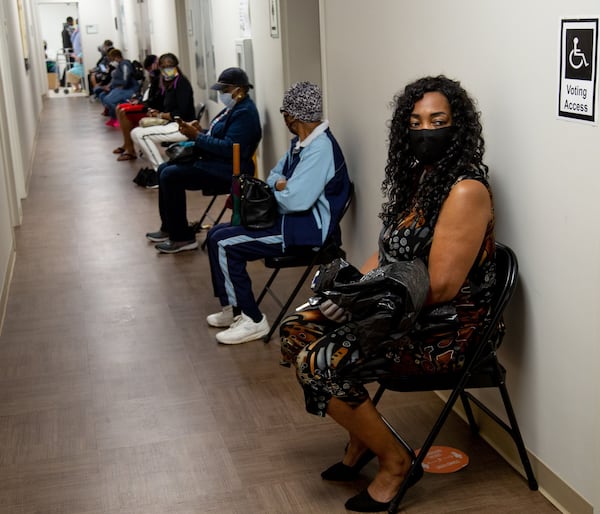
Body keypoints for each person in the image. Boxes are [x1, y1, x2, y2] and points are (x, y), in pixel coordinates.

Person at [279, 75, 496, 512]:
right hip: (397, 309)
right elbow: (386, 257)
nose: (425, 130)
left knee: (318, 364)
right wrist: (345, 294)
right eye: (415, 121)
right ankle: (362, 438)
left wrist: (361, 311)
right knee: (296, 329)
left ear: (458, 128)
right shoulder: (423, 179)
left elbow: (442, 287)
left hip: (443, 329)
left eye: (438, 120)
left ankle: (396, 462)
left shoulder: (465, 190)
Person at [204, 81, 351, 345]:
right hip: (289, 222)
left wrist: (283, 189)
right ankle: (233, 310)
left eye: (285, 112)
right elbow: (274, 176)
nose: (284, 117)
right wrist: (282, 186)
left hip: (307, 231)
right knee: (215, 234)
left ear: (294, 115)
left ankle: (252, 319)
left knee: (225, 243)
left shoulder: (320, 148)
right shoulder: (301, 143)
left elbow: (296, 201)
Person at [144, 67, 261, 251]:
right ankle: (170, 228)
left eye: (225, 90)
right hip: (216, 162)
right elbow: (219, 137)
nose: (222, 94)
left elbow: (230, 149)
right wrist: (200, 132)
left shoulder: (245, 113)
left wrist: (197, 137)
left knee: (170, 176)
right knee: (163, 169)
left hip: (229, 169)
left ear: (238, 90)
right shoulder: (233, 109)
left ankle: (182, 238)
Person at [130, 53, 195, 176]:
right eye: (163, 67)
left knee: (142, 136)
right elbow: (163, 105)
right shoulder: (167, 85)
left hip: (182, 126)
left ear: (176, 66)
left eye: (170, 66)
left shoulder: (181, 83)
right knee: (135, 132)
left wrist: (161, 115)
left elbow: (182, 112)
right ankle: (160, 167)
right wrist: (156, 112)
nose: (167, 69)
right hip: (171, 124)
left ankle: (160, 170)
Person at [112, 55, 162, 161]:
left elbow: (156, 100)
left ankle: (131, 151)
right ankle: (126, 144)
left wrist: (141, 103)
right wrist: (139, 101)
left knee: (124, 112)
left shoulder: (160, 78)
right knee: (119, 108)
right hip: (147, 103)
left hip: (152, 108)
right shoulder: (155, 78)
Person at [98, 49, 140, 127]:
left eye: (113, 59)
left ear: (116, 57)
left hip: (128, 89)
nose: (112, 61)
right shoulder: (120, 65)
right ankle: (114, 117)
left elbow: (126, 77)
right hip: (121, 88)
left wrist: (122, 86)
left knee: (108, 100)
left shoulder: (125, 64)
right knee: (104, 96)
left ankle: (120, 118)